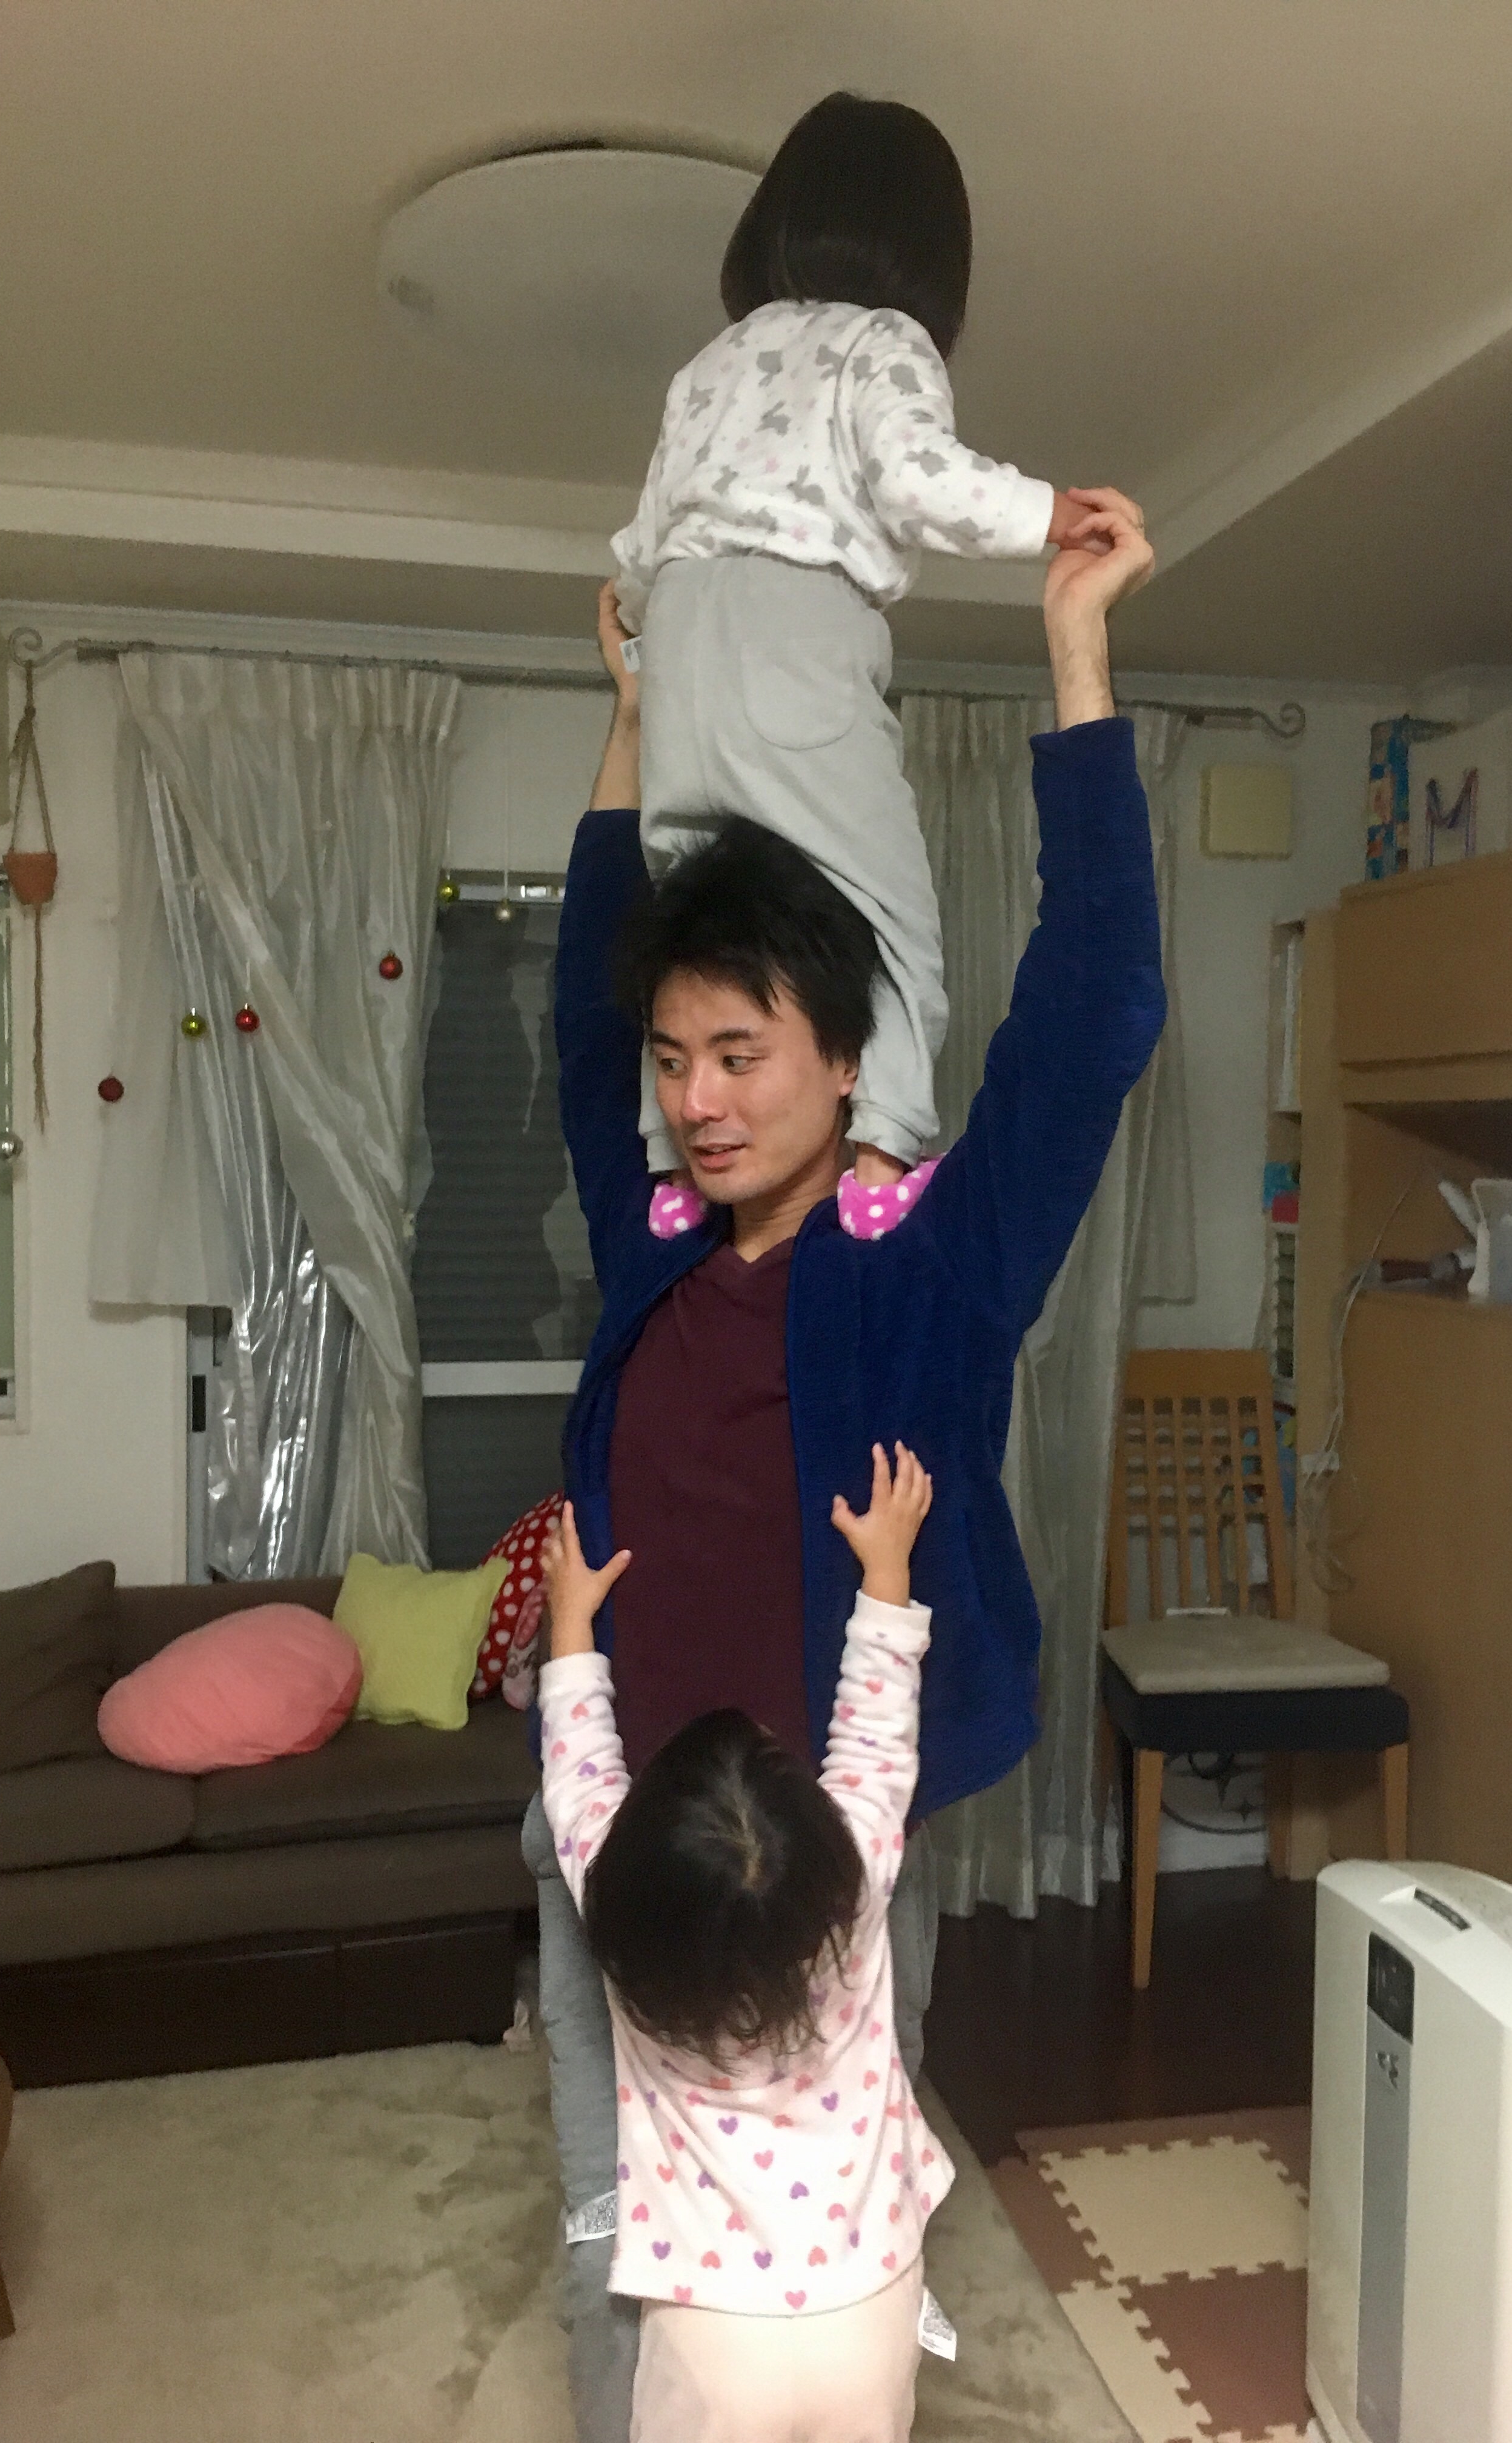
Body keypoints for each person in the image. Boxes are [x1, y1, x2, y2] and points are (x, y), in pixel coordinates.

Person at [524, 490, 1161, 2443]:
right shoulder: (650, 1237)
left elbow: (1094, 1015)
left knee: (828, 2231)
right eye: (678, 1062)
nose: (697, 1103)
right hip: (613, 1819)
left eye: (742, 1055)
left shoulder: (934, 1267)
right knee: (616, 2223)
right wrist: (633, 723)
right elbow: (578, 1029)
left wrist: (1075, 652)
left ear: (846, 1056)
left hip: (832, 1835)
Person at [611, 89, 1116, 1238]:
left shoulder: (708, 366)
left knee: (689, 919)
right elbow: (918, 479)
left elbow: (643, 544)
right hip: (795, 642)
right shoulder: (881, 341)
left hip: (680, 650)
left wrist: (638, 629)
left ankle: (668, 1167)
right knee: (884, 909)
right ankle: (884, 1152)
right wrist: (1050, 514)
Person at [538, 1442, 949, 2442]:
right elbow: (876, 1741)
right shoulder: (855, 1882)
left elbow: (578, 1769)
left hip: (711, 2334)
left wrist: (571, 1622)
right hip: (869, 2311)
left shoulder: (621, 1907)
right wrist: (887, 1570)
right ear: (817, 1838)